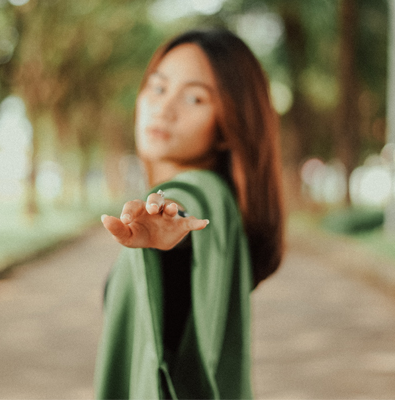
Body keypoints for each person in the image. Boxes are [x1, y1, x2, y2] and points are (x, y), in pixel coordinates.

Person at [94, 27, 284, 399]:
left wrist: (173, 220)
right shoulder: (227, 202)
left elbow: (191, 206)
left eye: (195, 99)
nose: (163, 108)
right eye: (158, 88)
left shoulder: (205, 196)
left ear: (229, 127)